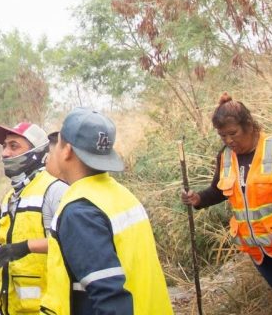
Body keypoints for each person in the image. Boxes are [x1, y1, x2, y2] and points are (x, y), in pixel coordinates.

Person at [181, 93, 272, 315]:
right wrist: (198, 199)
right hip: (259, 249)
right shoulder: (225, 157)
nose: (229, 141)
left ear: (249, 125)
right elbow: (219, 190)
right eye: (223, 136)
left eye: (233, 133)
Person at [41, 108, 173, 315]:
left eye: (57, 142)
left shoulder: (80, 211)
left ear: (67, 150)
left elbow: (110, 298)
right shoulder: (121, 194)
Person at [0, 121, 68, 314]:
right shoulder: (8, 199)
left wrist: (26, 247)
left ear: (37, 152)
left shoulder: (55, 191)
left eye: (14, 146)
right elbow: (4, 263)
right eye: (4, 146)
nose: (5, 153)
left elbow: (73, 245)